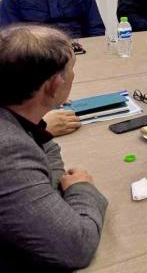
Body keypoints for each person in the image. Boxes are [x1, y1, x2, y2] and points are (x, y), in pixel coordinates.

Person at [0, 25, 108, 269]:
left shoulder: (16, 119)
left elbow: (46, 148)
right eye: (72, 70)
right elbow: (76, 246)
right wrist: (80, 188)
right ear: (54, 85)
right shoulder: (8, 151)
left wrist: (48, 184)